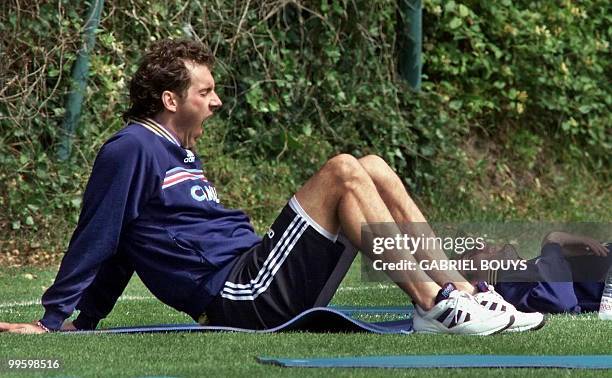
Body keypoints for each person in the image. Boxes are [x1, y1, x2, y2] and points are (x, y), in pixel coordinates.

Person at [0, 39, 544, 335]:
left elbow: (126, 243)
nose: (215, 102)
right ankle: (433, 303)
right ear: (171, 99)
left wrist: (87, 322)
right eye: (206, 91)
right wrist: (56, 321)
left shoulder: (176, 152)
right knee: (341, 170)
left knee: (372, 164)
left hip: (255, 275)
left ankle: (466, 296)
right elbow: (101, 237)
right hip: (238, 295)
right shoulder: (131, 149)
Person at [457, 232, 611, 314]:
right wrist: (553, 242)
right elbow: (558, 299)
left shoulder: (525, 269)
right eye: (471, 255)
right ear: (474, 283)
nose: (482, 245)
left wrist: (560, 254)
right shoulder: (505, 284)